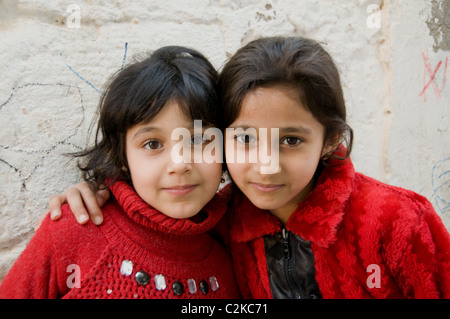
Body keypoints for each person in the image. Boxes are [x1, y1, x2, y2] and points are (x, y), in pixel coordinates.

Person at [42, 37, 450, 299]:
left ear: (329, 141)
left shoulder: (398, 222)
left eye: (291, 140)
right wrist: (103, 186)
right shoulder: (223, 223)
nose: (265, 166)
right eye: (245, 138)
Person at [0, 46, 240, 299]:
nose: (179, 164)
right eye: (153, 144)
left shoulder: (232, 249)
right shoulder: (75, 230)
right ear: (121, 156)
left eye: (198, 140)